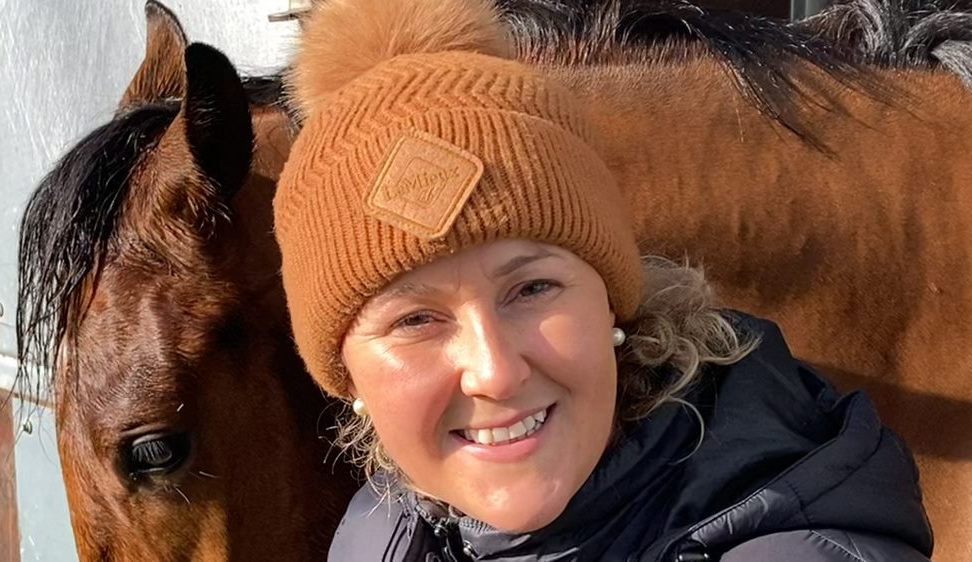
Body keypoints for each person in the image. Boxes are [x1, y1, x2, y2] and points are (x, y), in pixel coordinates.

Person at [272, 0, 933, 560]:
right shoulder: (377, 531)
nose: (495, 372)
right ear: (347, 376)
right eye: (415, 319)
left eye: (532, 288)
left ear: (613, 303)